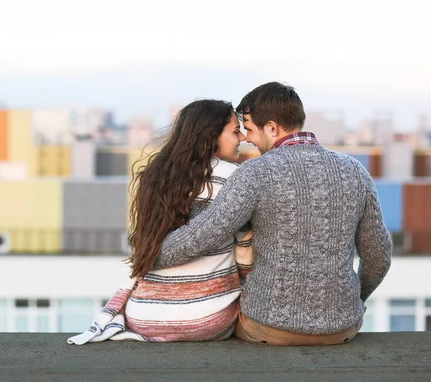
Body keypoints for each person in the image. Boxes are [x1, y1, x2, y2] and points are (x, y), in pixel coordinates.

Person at [154, 82, 392, 346]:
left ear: (272, 128)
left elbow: (202, 236)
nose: (247, 139)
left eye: (250, 130)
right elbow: (379, 256)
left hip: (267, 328)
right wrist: (354, 300)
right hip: (342, 330)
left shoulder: (256, 172)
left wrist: (149, 255)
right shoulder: (355, 171)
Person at [68, 99, 253, 344]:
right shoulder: (235, 178)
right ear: (211, 135)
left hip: (144, 317)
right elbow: (245, 248)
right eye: (234, 131)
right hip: (206, 320)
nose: (242, 137)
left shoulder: (156, 175)